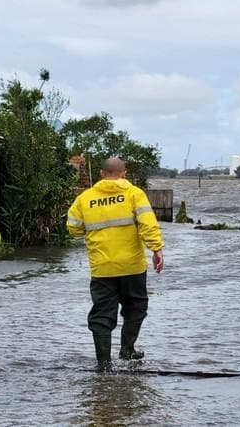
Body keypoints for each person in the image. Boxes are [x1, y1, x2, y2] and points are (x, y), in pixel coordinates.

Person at [66, 157, 165, 370]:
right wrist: (156, 249)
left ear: (102, 174)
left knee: (102, 314)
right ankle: (127, 350)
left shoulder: (85, 198)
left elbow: (73, 228)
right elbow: (148, 224)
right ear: (124, 173)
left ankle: (103, 364)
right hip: (132, 266)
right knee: (136, 307)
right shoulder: (134, 194)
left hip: (102, 267)